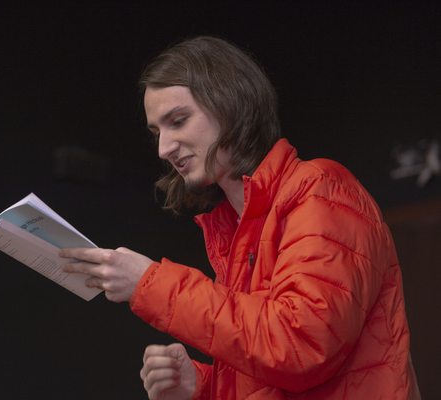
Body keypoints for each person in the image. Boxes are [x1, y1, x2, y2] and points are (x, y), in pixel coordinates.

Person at [59, 36, 420, 399]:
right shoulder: (238, 228)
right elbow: (272, 365)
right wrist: (201, 385)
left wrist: (149, 283)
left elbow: (301, 345)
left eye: (178, 121)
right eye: (157, 133)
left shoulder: (320, 189)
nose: (163, 148)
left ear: (230, 105)